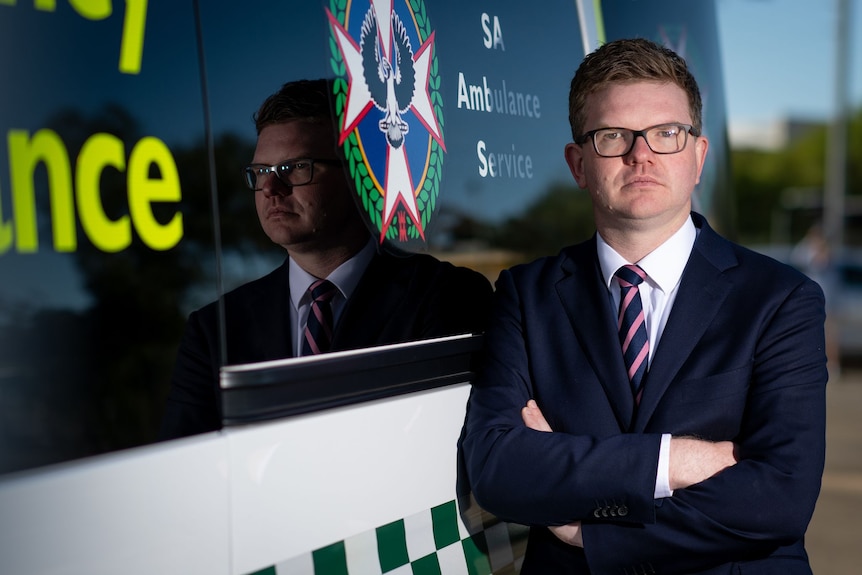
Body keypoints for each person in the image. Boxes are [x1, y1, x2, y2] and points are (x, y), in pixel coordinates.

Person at [459, 38, 827, 574]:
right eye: (613, 136)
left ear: (698, 157)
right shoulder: (526, 295)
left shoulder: (781, 299)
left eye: (666, 134)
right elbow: (497, 467)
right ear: (578, 163)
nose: (641, 153)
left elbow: (780, 499)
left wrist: (590, 533)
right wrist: (673, 459)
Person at [161, 79, 493, 440]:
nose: (270, 189)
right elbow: (189, 471)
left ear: (357, 172)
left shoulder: (446, 297)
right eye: (260, 173)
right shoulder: (215, 331)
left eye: (294, 168)